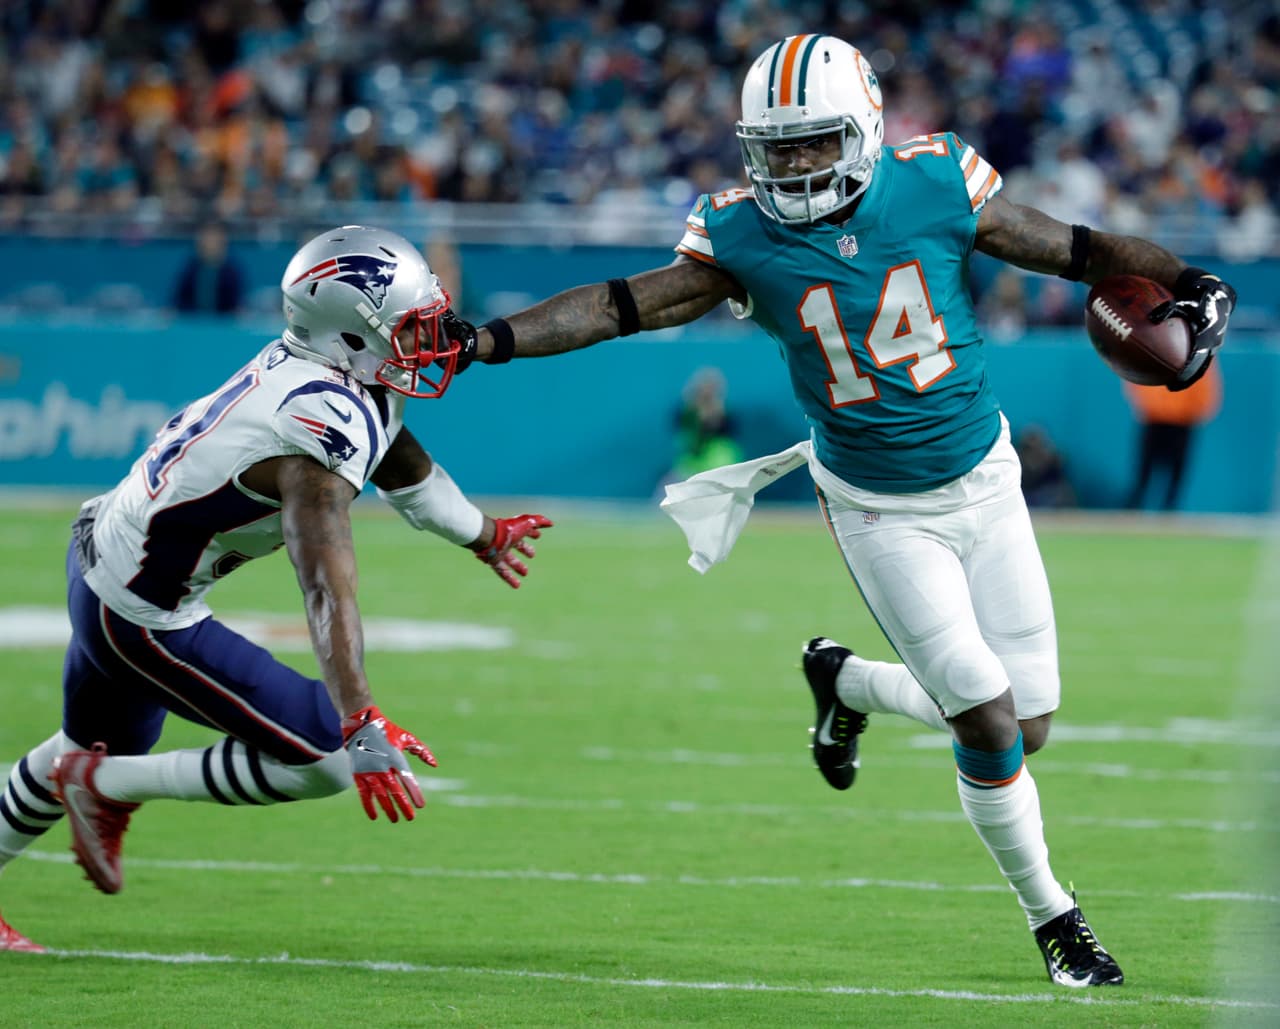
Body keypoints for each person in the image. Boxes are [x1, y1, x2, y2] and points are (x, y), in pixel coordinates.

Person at [438, 34, 1237, 987]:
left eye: (814, 144)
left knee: (1029, 728)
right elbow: (622, 305)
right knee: (984, 719)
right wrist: (490, 338)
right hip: (879, 508)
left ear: (861, 128)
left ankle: (846, 682)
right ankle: (1055, 918)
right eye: (776, 149)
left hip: (986, 480)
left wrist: (1186, 280)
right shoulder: (739, 233)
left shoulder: (939, 181)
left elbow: (1075, 250)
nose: (794, 166)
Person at [0, 226, 552, 952]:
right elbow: (324, 579)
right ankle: (102, 784)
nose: (435, 339)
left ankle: (94, 774)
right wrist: (360, 717)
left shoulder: (340, 378)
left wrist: (484, 534)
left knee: (85, 744)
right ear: (352, 337)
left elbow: (403, 466)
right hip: (137, 609)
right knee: (325, 753)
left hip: (108, 557)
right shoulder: (317, 425)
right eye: (413, 327)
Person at [1124, 360, 1222, 511]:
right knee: (1144, 469)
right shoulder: (1159, 346)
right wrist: (1147, 405)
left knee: (1176, 472)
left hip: (1182, 421)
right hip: (1154, 418)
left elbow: (1206, 384)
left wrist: (1197, 410)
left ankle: (1169, 509)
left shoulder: (1200, 351)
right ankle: (1135, 507)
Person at [171, 221, 245, 315]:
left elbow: (236, 305)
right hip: (193, 324)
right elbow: (178, 300)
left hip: (223, 325)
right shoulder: (191, 268)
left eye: (215, 238)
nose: (210, 241)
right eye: (207, 237)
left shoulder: (231, 272)